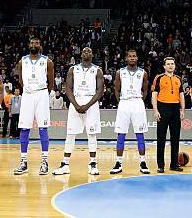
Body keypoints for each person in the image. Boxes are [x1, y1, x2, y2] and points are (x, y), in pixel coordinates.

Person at [52, 47, 104, 175]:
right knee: (70, 134)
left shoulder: (97, 70)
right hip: (76, 102)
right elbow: (68, 88)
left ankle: (93, 164)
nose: (87, 52)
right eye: (85, 51)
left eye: (89, 51)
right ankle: (65, 164)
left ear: (92, 54)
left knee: (92, 134)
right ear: (81, 54)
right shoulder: (73, 69)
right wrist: (75, 104)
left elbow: (100, 91)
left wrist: (87, 105)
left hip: (91, 104)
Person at [14, 37, 55, 175]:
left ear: (40, 45)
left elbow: (51, 82)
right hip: (27, 95)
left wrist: (43, 92)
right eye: (32, 42)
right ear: (28, 44)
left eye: (36, 43)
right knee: (24, 127)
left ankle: (44, 161)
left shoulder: (47, 61)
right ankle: (23, 162)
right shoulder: (22, 61)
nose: (34, 45)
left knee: (43, 127)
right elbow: (20, 80)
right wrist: (29, 90)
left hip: (42, 94)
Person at [110, 49, 150, 174]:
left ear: (137, 58)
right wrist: (122, 102)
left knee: (140, 133)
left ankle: (143, 162)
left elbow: (145, 91)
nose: (132, 58)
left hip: (138, 103)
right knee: (121, 134)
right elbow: (116, 90)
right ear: (126, 58)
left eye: (134, 56)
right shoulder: (120, 72)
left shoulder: (143, 73)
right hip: (124, 103)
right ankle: (118, 162)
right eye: (130, 56)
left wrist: (138, 100)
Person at [151, 56, 185, 173]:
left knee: (175, 138)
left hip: (175, 109)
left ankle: (174, 164)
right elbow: (154, 95)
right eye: (168, 64)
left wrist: (182, 110)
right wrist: (155, 110)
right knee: (161, 138)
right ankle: (161, 165)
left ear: (175, 66)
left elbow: (181, 95)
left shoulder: (178, 79)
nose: (170, 65)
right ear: (164, 66)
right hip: (163, 108)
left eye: (172, 64)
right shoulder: (159, 78)